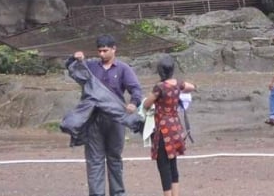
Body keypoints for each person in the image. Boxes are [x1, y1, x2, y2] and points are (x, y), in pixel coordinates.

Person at [68, 35, 143, 196]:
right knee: (94, 160)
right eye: (99, 51)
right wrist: (74, 58)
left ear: (114, 49)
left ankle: (118, 193)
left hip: (116, 119)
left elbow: (136, 89)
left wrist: (133, 103)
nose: (101, 54)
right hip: (93, 118)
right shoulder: (91, 66)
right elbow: (72, 69)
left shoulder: (123, 68)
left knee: (114, 158)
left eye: (105, 51)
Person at [143, 56, 195, 196]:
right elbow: (192, 87)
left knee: (163, 166)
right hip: (175, 127)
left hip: (163, 128)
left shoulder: (159, 87)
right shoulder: (178, 83)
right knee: (173, 164)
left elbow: (146, 104)